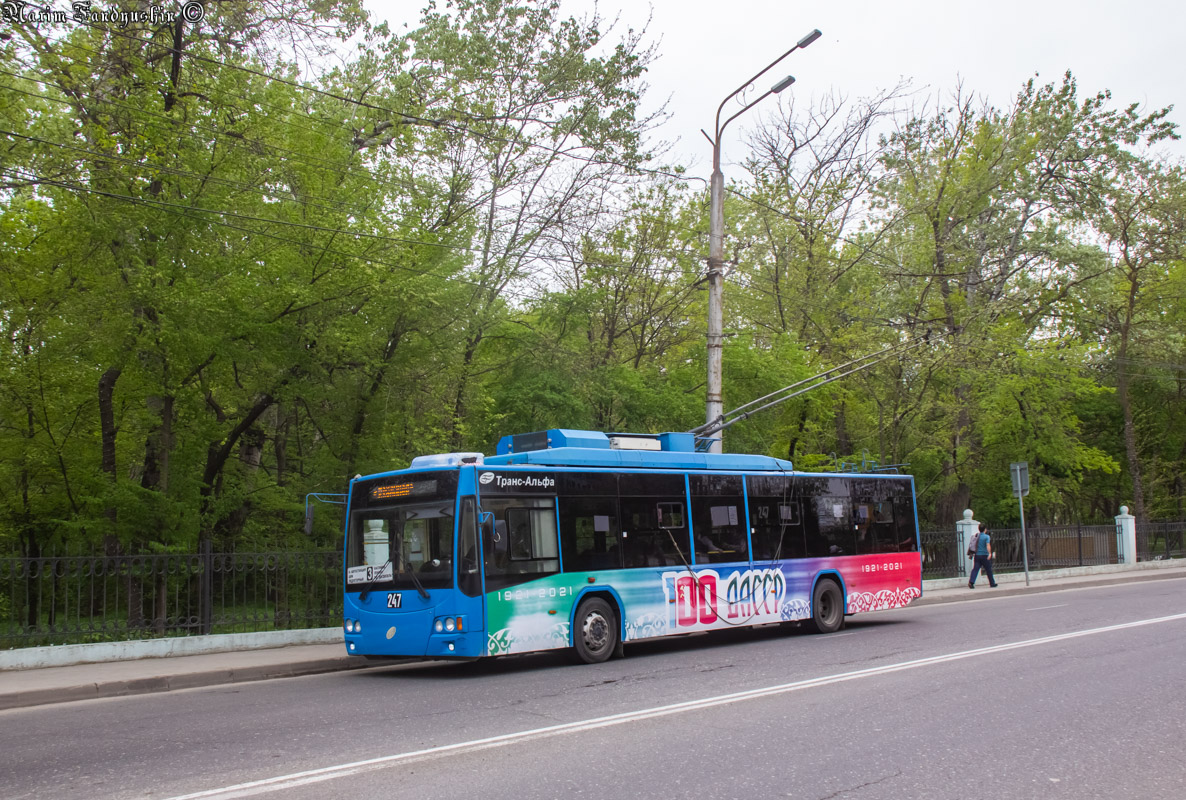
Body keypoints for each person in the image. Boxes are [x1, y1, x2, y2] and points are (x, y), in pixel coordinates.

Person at [968, 522, 998, 588]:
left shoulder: (977, 536)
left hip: (977, 555)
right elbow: (988, 545)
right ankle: (992, 583)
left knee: (975, 569)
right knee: (988, 569)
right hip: (985, 555)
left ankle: (971, 582)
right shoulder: (986, 537)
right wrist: (989, 553)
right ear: (985, 529)